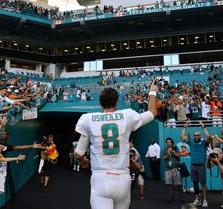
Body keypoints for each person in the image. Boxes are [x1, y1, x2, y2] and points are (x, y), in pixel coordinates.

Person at [74, 79, 158, 209]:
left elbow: (78, 154)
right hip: (122, 178)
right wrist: (152, 91)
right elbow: (152, 113)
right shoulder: (128, 115)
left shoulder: (88, 119)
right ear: (117, 102)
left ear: (100, 103)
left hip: (100, 178)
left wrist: (83, 160)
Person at [181, 121, 211, 208]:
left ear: (200, 136)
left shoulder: (203, 143)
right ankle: (197, 199)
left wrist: (203, 126)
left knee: (203, 183)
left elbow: (208, 137)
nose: (196, 136)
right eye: (195, 135)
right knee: (195, 183)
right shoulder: (191, 142)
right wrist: (184, 127)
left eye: (198, 135)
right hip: (193, 165)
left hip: (201, 166)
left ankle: (205, 200)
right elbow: (183, 137)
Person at [163, 137, 184, 202]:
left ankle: (181, 195)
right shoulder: (164, 150)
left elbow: (179, 156)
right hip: (168, 168)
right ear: (166, 143)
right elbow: (163, 158)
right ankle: (171, 196)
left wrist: (172, 152)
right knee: (169, 183)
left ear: (172, 143)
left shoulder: (175, 148)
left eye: (170, 142)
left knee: (179, 183)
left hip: (176, 168)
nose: (169, 143)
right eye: (167, 142)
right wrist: (167, 155)